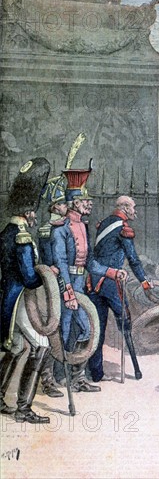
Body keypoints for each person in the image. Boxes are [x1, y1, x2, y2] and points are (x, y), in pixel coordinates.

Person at [51, 163, 128, 392]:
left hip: (79, 286)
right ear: (75, 203)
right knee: (64, 331)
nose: (90, 204)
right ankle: (57, 378)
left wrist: (113, 272)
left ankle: (77, 378)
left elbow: (90, 263)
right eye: (86, 201)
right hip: (65, 286)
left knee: (87, 330)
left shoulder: (83, 227)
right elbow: (61, 263)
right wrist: (68, 293)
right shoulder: (60, 229)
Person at [0, 158, 52, 424]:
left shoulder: (5, 232)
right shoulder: (22, 237)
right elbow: (30, 278)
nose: (35, 216)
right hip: (20, 298)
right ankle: (23, 409)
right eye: (34, 211)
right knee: (41, 345)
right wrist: (48, 277)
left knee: (17, 347)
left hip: (8, 299)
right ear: (28, 211)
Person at [88, 196, 153, 382]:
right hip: (111, 283)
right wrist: (144, 282)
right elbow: (133, 259)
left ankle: (96, 373)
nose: (135, 211)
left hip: (94, 281)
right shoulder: (123, 228)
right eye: (133, 207)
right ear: (124, 208)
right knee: (125, 322)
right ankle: (136, 370)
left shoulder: (104, 223)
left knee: (97, 327)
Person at [37, 174, 69, 398]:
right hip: (51, 285)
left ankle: (61, 374)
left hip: (62, 282)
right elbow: (50, 261)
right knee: (51, 330)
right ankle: (47, 379)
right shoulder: (47, 228)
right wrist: (54, 269)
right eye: (63, 202)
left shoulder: (62, 226)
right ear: (55, 206)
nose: (67, 206)